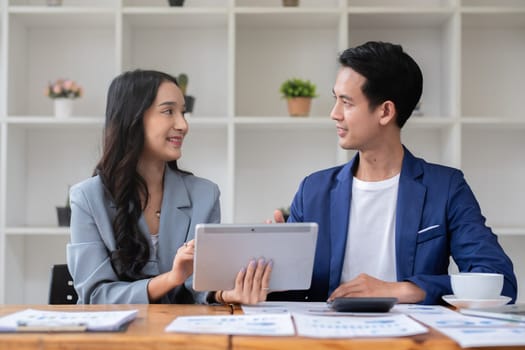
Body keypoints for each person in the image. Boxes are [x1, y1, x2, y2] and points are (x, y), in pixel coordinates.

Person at [269, 41, 517, 305]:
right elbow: (293, 294)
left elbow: (499, 281)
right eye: (335, 99)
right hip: (330, 341)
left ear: (385, 111)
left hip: (413, 343)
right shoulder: (313, 190)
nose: (334, 114)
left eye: (347, 103)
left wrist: (400, 290)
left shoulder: (445, 188)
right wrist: (274, 266)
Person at [67, 69, 271, 304]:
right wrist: (172, 278)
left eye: (183, 113)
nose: (183, 125)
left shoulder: (205, 195)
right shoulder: (88, 198)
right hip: (117, 337)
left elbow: (201, 284)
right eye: (168, 111)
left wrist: (224, 293)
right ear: (132, 119)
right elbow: (96, 295)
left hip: (185, 336)